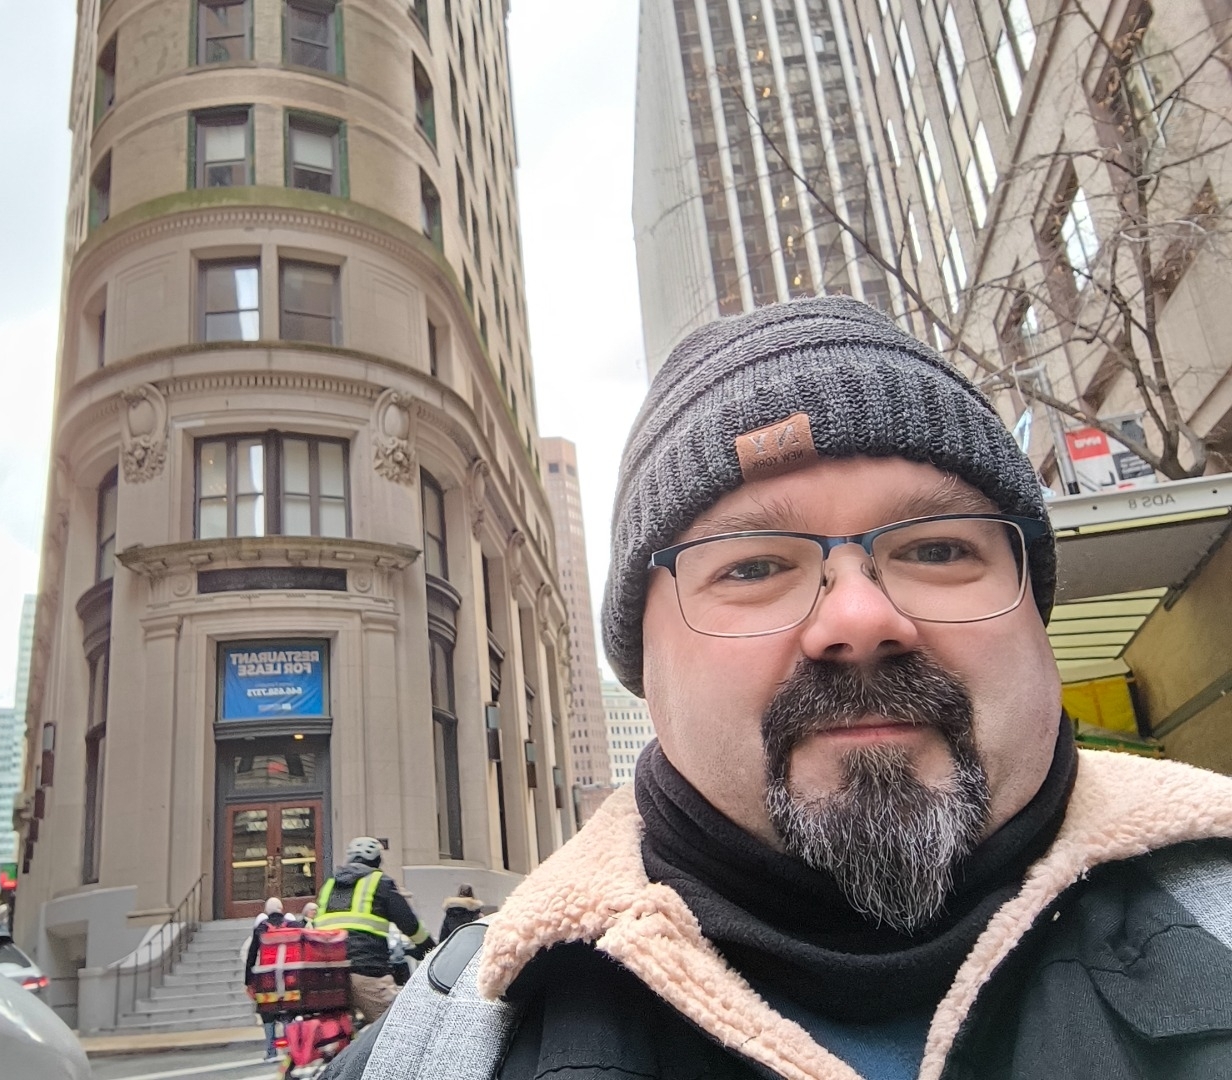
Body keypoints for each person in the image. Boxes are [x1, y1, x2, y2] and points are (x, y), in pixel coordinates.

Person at [326, 297, 1232, 1079]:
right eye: (754, 566)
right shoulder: (438, 1051)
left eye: (938, 548)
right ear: (645, 667)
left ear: (1035, 611)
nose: (860, 618)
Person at [313, 836, 432, 1024]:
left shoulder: (329, 885)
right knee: (398, 1027)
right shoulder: (380, 882)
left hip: (327, 976)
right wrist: (430, 949)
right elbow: (410, 924)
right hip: (366, 970)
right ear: (377, 860)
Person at [243, 897, 287, 1061]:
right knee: (288, 1011)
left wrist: (249, 982)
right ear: (281, 909)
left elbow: (252, 956)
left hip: (266, 977)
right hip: (289, 976)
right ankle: (291, 1050)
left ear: (267, 911)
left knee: (267, 1012)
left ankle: (271, 1051)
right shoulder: (292, 925)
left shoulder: (261, 929)